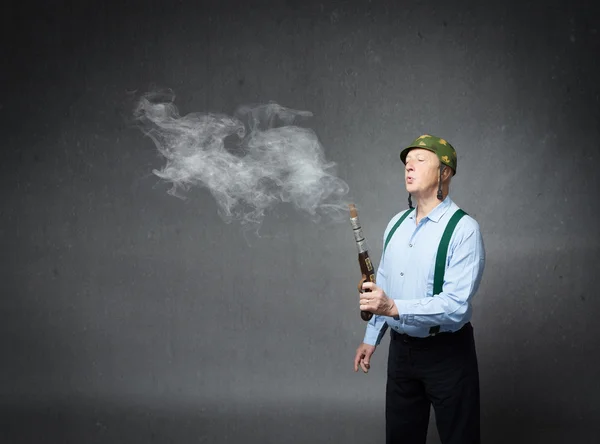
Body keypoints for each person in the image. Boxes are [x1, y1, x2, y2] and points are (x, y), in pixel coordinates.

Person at [353, 135, 486, 444]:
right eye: (406, 161)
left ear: (445, 173)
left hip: (448, 355)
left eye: (420, 160)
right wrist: (371, 338)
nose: (409, 166)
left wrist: (393, 308)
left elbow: (455, 305)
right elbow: (383, 283)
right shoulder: (396, 223)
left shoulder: (464, 229)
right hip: (402, 354)